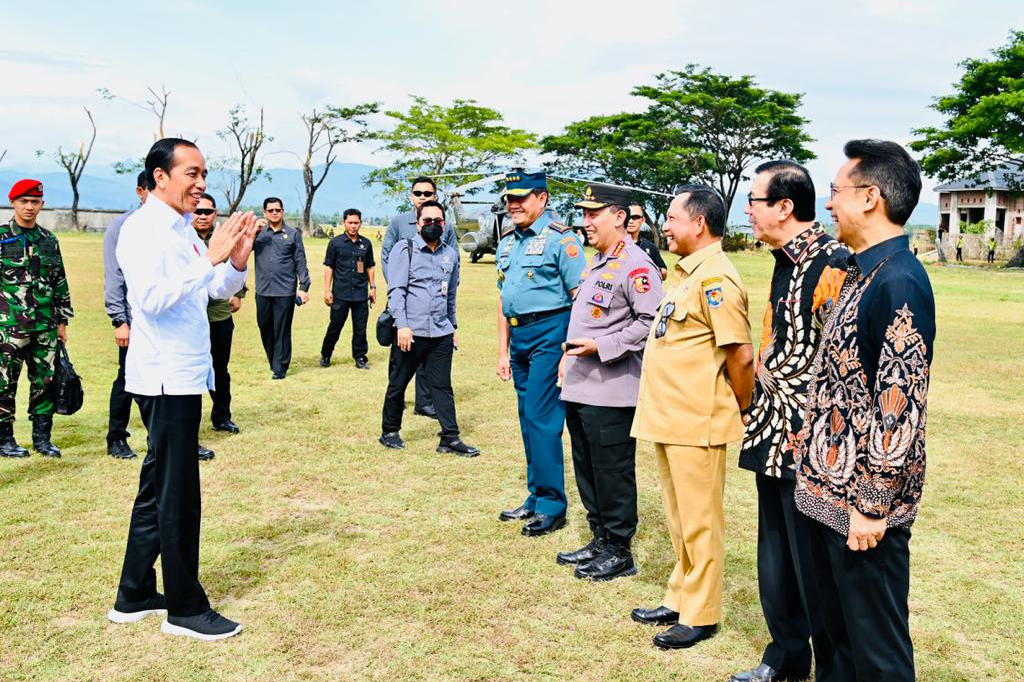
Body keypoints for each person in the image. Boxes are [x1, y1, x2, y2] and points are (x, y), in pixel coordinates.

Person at [794, 139, 935, 682]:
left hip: (861, 509)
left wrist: (873, 505)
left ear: (869, 197)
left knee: (876, 652)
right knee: (835, 643)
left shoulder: (898, 279)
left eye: (835, 191)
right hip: (825, 493)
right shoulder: (861, 271)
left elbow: (899, 404)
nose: (828, 203)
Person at [108, 138, 257, 640]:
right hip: (166, 376)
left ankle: (134, 593)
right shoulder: (143, 229)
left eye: (204, 174)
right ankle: (185, 609)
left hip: (185, 373)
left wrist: (235, 260)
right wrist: (210, 255)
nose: (201, 184)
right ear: (159, 177)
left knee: (157, 486)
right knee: (178, 495)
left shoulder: (179, 229)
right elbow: (150, 301)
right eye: (191, 173)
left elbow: (212, 289)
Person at [731, 161, 850, 682]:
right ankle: (784, 660)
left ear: (784, 207)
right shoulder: (784, 261)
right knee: (776, 556)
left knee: (814, 567)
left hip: (810, 440)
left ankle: (831, 668)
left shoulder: (833, 262)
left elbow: (844, 363)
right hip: (771, 429)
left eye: (754, 202)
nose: (747, 212)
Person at [629, 185, 754, 650]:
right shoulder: (686, 274)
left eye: (672, 218)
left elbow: (741, 356)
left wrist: (741, 407)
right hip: (669, 417)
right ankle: (680, 596)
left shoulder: (717, 278)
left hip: (696, 420)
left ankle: (701, 613)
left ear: (698, 223)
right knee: (679, 520)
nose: (665, 225)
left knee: (701, 522)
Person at [556, 183, 662, 581]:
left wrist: (601, 346)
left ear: (619, 217)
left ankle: (619, 549)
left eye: (593, 214)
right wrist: (568, 360)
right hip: (581, 385)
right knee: (587, 466)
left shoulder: (636, 265)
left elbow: (650, 323)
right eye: (583, 214)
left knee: (613, 471)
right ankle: (600, 537)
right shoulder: (597, 261)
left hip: (612, 389)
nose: (586, 223)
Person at [495, 170, 586, 536]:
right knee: (526, 417)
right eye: (509, 198)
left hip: (551, 332)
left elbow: (580, 296)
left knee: (542, 417)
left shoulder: (561, 241)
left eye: (521, 197)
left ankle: (551, 504)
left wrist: (570, 349)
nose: (513, 204)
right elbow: (503, 299)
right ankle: (535, 496)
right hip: (518, 336)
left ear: (542, 199)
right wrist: (502, 349)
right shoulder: (507, 242)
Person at [379, 200, 478, 457]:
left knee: (442, 386)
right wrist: (402, 325)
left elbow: (451, 294)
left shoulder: (450, 254)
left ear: (444, 224)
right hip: (411, 332)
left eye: (437, 221)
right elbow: (396, 291)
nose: (432, 225)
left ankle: (450, 438)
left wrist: (453, 326)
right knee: (398, 382)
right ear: (418, 223)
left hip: (441, 331)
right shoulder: (405, 249)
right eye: (427, 221)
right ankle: (390, 431)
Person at [0, 179, 73, 459]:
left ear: (41, 204)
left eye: (34, 202)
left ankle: (43, 439)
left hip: (45, 325)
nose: (29, 207)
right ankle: (5, 439)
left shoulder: (48, 240)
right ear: (13, 203)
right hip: (9, 327)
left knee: (45, 382)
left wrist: (62, 322)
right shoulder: (2, 236)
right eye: (24, 202)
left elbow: (59, 282)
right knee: (5, 383)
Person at [381, 177, 457, 418]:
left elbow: (452, 267)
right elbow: (387, 257)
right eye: (418, 192)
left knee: (434, 371)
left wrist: (451, 320)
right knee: (400, 369)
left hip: (437, 312)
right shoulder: (399, 225)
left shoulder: (447, 229)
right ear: (411, 196)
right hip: (406, 306)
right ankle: (393, 420)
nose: (423, 196)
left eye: (428, 193)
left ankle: (425, 404)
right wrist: (399, 282)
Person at [193, 193, 246, 442]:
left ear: (215, 214)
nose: (202, 216)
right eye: (198, 211)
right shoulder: (183, 238)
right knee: (191, 369)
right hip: (191, 316)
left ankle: (222, 415)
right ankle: (189, 423)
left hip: (218, 313)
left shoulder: (224, 238)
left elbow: (238, 262)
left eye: (207, 212)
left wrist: (239, 294)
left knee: (220, 368)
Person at [103, 171, 148, 460]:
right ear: (140, 191)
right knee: (127, 379)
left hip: (164, 318)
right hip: (133, 319)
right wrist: (120, 320)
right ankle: (116, 437)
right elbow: (114, 275)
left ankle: (170, 437)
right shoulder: (123, 226)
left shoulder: (178, 224)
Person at [253, 197, 310, 379]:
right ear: (265, 213)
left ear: (283, 211)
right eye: (270, 210)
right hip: (262, 289)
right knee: (264, 326)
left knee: (282, 329)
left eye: (277, 210)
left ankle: (280, 367)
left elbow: (300, 261)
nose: (274, 213)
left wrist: (304, 286)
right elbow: (242, 250)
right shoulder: (259, 234)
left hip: (284, 290)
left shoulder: (292, 234)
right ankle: (273, 360)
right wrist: (250, 232)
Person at [320, 208, 376, 369]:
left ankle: (360, 357)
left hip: (360, 294)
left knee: (360, 329)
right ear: (344, 223)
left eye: (356, 223)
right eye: (350, 222)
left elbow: (370, 267)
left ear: (360, 223)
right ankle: (326, 354)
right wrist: (327, 290)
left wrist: (373, 288)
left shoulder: (366, 244)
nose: (353, 226)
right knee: (335, 327)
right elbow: (329, 267)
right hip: (340, 294)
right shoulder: (335, 243)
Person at [627, 204, 668, 280]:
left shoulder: (650, 247)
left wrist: (647, 270)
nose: (631, 221)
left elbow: (664, 273)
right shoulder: (613, 244)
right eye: (628, 217)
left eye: (635, 217)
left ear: (643, 220)